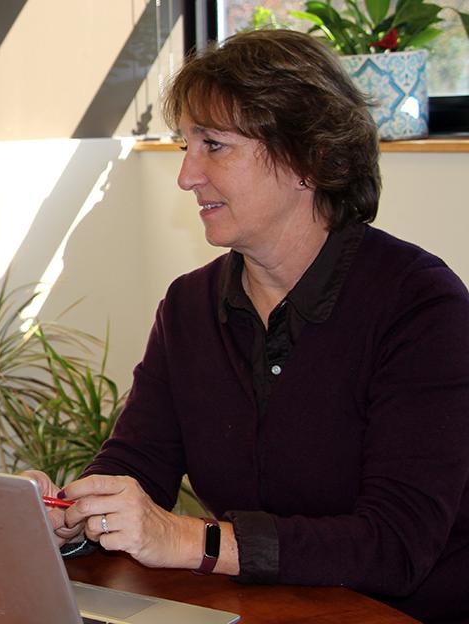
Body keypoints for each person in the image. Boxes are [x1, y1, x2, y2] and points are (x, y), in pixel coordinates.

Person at [26, 29, 469, 623]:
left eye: (214, 145)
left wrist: (190, 538)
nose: (187, 175)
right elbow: (136, 464)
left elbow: (395, 545)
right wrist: (70, 517)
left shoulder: (420, 305)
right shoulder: (188, 307)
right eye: (185, 145)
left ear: (309, 159)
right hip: (256, 611)